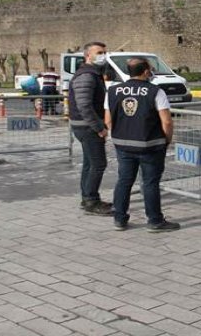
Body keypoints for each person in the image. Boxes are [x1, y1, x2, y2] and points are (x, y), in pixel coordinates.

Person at [105, 57, 180, 232]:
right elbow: (167, 122)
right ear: (146, 71)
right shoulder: (156, 91)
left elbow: (108, 120)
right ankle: (154, 221)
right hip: (150, 145)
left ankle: (119, 219)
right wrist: (167, 139)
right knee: (150, 183)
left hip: (123, 144)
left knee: (124, 181)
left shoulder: (113, 91)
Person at [68, 42, 113, 216]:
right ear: (88, 55)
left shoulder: (94, 73)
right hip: (87, 127)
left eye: (104, 52)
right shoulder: (86, 75)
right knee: (98, 163)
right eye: (99, 52)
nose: (103, 55)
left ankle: (87, 197)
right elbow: (84, 105)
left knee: (89, 163)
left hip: (85, 126)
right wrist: (99, 127)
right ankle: (91, 201)